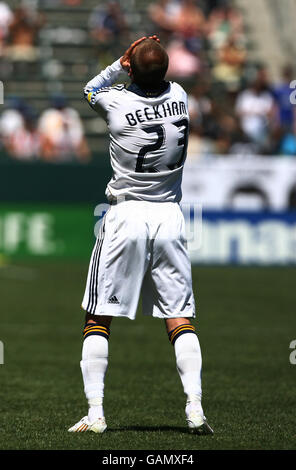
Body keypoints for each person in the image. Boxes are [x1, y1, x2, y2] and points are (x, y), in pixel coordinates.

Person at [68, 36, 213, 435]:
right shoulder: (181, 95)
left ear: (132, 70)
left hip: (126, 214)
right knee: (179, 316)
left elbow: (89, 89)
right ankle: (196, 408)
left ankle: (96, 413)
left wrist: (120, 61)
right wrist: (140, 63)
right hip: (169, 216)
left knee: (98, 315)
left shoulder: (115, 104)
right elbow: (156, 76)